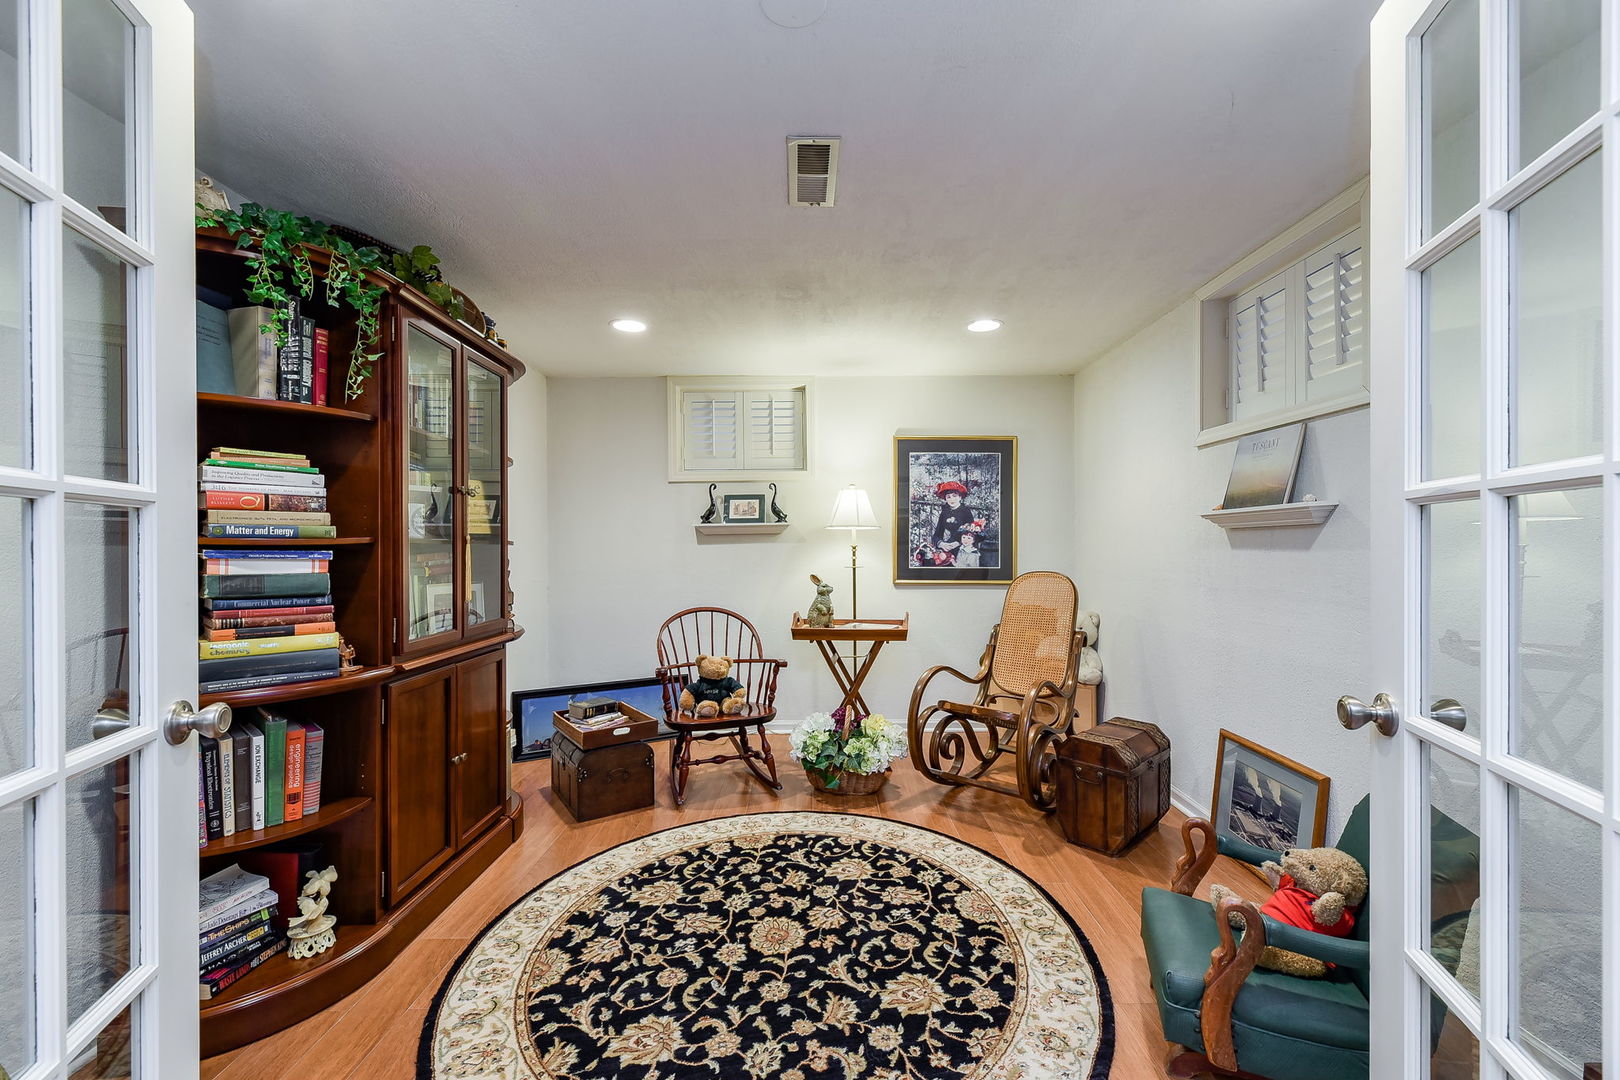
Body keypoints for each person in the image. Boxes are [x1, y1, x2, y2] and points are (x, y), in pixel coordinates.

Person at [928, 481, 977, 562]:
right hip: (947, 546)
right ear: (945, 499)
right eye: (948, 497)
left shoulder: (965, 511)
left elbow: (971, 534)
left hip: (963, 547)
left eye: (954, 496)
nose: (952, 499)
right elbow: (937, 534)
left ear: (960, 497)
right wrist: (941, 544)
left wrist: (957, 543)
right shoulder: (944, 512)